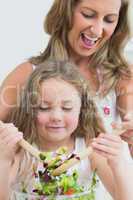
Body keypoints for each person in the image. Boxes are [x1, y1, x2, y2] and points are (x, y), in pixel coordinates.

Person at [0, 0, 133, 149]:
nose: (97, 30)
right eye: (88, 15)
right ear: (65, 13)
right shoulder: (28, 73)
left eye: (109, 20)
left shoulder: (122, 75)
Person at [0, 60, 132, 200]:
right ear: (29, 109)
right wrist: (3, 159)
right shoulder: (20, 151)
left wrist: (118, 163)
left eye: (67, 108)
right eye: (44, 108)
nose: (56, 117)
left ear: (82, 110)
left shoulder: (90, 150)